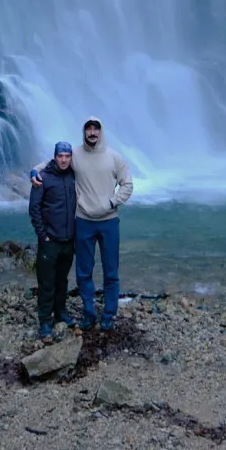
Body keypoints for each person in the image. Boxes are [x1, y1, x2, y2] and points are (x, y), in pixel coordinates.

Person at [71, 116, 133, 332]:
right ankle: (89, 313)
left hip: (108, 222)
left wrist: (112, 202)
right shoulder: (75, 155)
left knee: (111, 272)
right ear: (84, 132)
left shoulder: (113, 157)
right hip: (83, 220)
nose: (92, 132)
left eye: (95, 128)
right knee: (83, 272)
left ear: (101, 132)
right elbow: (52, 164)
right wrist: (35, 172)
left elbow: (128, 184)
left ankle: (108, 314)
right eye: (88, 128)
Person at [28, 141, 76, 340]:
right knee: (46, 283)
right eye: (60, 156)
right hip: (50, 240)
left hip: (69, 239)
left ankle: (61, 313)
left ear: (71, 157)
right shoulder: (43, 178)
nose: (64, 160)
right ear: (54, 157)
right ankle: (45, 321)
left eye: (67, 156)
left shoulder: (74, 176)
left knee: (62, 280)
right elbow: (34, 209)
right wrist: (43, 235)